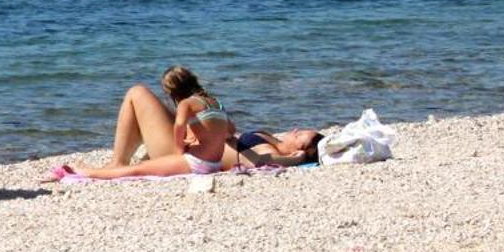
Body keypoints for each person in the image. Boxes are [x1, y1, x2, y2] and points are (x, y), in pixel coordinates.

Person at [50, 68, 317, 180]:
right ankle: (121, 158)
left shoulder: (266, 154)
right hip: (192, 145)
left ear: (298, 150)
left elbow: (257, 164)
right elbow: (231, 130)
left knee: (137, 93)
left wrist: (295, 159)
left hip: (182, 154)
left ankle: (117, 162)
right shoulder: (267, 138)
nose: (296, 130)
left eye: (301, 136)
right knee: (141, 95)